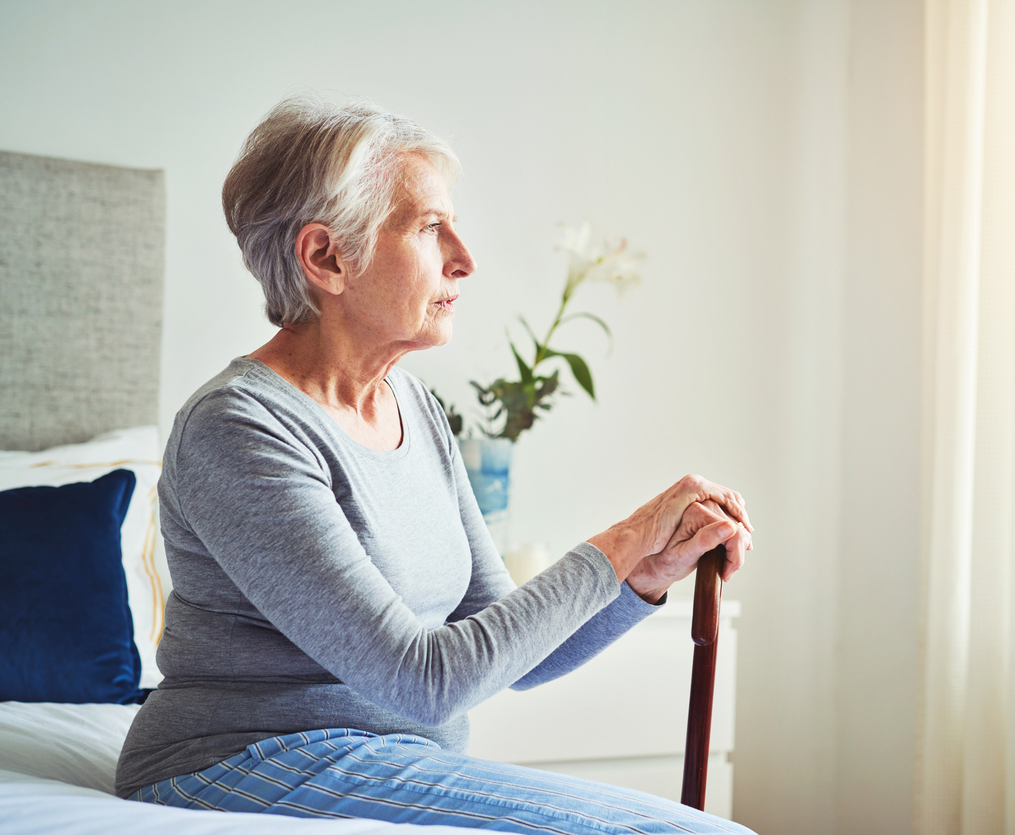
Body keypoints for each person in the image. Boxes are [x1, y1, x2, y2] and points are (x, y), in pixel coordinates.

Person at [115, 95, 756, 835]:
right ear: (326, 257)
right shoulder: (239, 428)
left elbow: (507, 652)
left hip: (388, 759)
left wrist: (643, 577)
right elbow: (426, 681)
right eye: (427, 227)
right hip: (243, 761)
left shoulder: (414, 407)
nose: (465, 257)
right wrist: (621, 542)